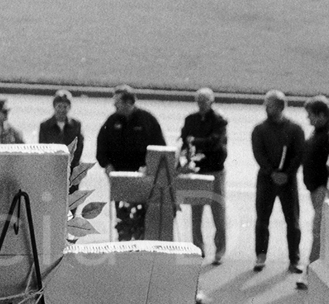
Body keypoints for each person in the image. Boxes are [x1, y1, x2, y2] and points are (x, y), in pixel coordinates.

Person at [96, 85, 166, 240]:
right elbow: (101, 148)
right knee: (123, 219)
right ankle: (123, 245)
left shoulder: (148, 120)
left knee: (143, 219)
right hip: (120, 179)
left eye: (117, 102)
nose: (114, 105)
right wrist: (107, 166)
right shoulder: (111, 121)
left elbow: (161, 148)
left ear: (129, 102)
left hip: (144, 178)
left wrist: (150, 167)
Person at [251, 90, 305, 273]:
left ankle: (294, 259)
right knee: (262, 219)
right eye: (266, 105)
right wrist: (271, 172)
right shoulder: (259, 130)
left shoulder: (295, 129)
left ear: (281, 107)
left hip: (288, 181)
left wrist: (287, 174)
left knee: (293, 220)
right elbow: (259, 154)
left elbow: (298, 155)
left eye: (271, 105)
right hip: (266, 179)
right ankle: (260, 255)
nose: (267, 108)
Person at [180, 87, 228, 265]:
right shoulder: (190, 119)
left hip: (215, 170)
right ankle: (197, 248)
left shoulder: (219, 121)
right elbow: (184, 139)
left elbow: (215, 143)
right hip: (197, 170)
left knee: (218, 211)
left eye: (204, 102)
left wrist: (195, 141)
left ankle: (220, 250)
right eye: (198, 102)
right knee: (196, 211)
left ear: (211, 102)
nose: (201, 105)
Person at [299, 95, 329, 286]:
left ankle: (310, 273)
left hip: (322, 189)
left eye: (310, 115)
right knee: (319, 230)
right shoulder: (318, 132)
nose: (308, 119)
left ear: (321, 115)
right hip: (315, 189)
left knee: (318, 231)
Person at [38, 88, 84, 169]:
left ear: (69, 107)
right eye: (59, 106)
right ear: (54, 106)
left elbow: (79, 148)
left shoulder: (76, 125)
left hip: (72, 166)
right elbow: (43, 148)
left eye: (65, 106)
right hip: (51, 167)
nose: (62, 110)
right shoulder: (45, 125)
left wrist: (71, 165)